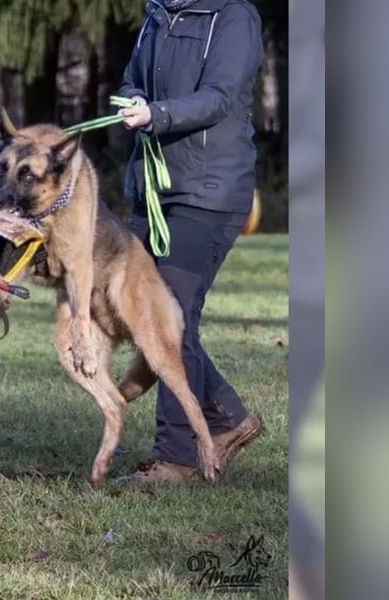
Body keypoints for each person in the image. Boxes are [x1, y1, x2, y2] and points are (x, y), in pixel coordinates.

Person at [115, 0, 265, 483]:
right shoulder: (157, 13)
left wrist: (154, 115)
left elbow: (221, 96)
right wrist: (132, 101)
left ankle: (176, 458)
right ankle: (225, 418)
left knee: (170, 322)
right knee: (145, 314)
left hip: (210, 193)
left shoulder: (234, 17)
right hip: (155, 190)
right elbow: (130, 79)